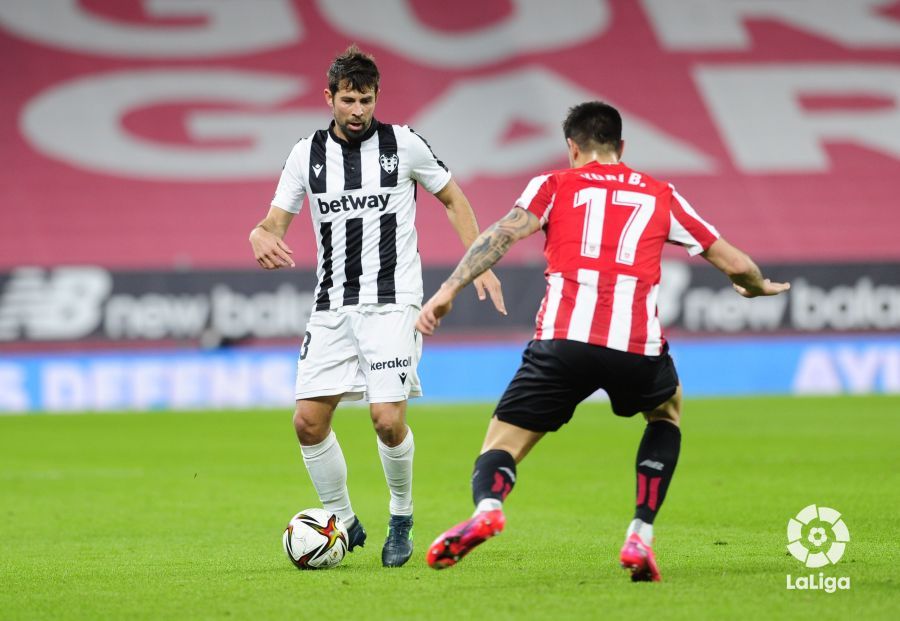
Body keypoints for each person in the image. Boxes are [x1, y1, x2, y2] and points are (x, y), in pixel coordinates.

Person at [416, 101, 790, 581]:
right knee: (667, 409)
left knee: (503, 443)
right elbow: (737, 265)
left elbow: (503, 234)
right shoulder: (661, 194)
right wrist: (756, 287)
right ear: (622, 146)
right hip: (635, 345)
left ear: (572, 147)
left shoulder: (553, 184)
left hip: (563, 341)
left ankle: (489, 506)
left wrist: (449, 289)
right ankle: (640, 532)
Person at [249, 45, 505, 568]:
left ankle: (402, 517)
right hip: (331, 305)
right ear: (329, 98)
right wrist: (258, 234)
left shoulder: (403, 144)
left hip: (393, 304)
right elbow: (273, 222)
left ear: (376, 97)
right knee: (307, 423)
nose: (359, 110)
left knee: (387, 420)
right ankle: (342, 519)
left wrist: (478, 263)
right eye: (348, 100)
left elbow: (454, 197)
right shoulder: (306, 155)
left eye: (366, 99)